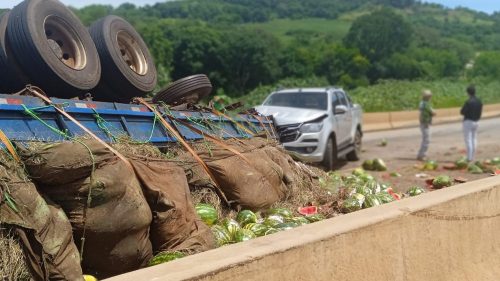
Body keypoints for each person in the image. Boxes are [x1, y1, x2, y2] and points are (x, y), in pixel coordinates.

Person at [460, 85, 483, 162]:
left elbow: (462, 112)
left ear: (468, 93)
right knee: (474, 139)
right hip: (476, 121)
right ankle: (472, 156)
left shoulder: (468, 102)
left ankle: (469, 157)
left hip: (468, 121)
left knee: (468, 139)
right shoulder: (479, 101)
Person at [417, 89, 436, 161]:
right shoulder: (426, 104)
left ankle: (420, 154)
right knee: (427, 140)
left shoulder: (422, 103)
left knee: (425, 139)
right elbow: (432, 112)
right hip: (426, 123)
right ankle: (422, 155)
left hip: (423, 122)